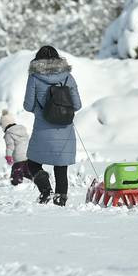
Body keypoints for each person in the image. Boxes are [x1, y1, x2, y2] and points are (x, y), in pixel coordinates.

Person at [22, 45, 82, 205]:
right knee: (61, 167)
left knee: (33, 163)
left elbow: (28, 105)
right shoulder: (68, 77)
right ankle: (60, 200)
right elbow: (77, 105)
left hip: (42, 128)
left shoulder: (34, 77)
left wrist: (40, 110)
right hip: (65, 128)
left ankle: (45, 189)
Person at [0, 109, 31, 185]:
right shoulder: (22, 129)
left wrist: (8, 156)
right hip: (27, 155)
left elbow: (10, 146)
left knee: (16, 172)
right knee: (27, 171)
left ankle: (16, 185)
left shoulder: (9, 133)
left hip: (18, 156)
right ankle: (38, 179)